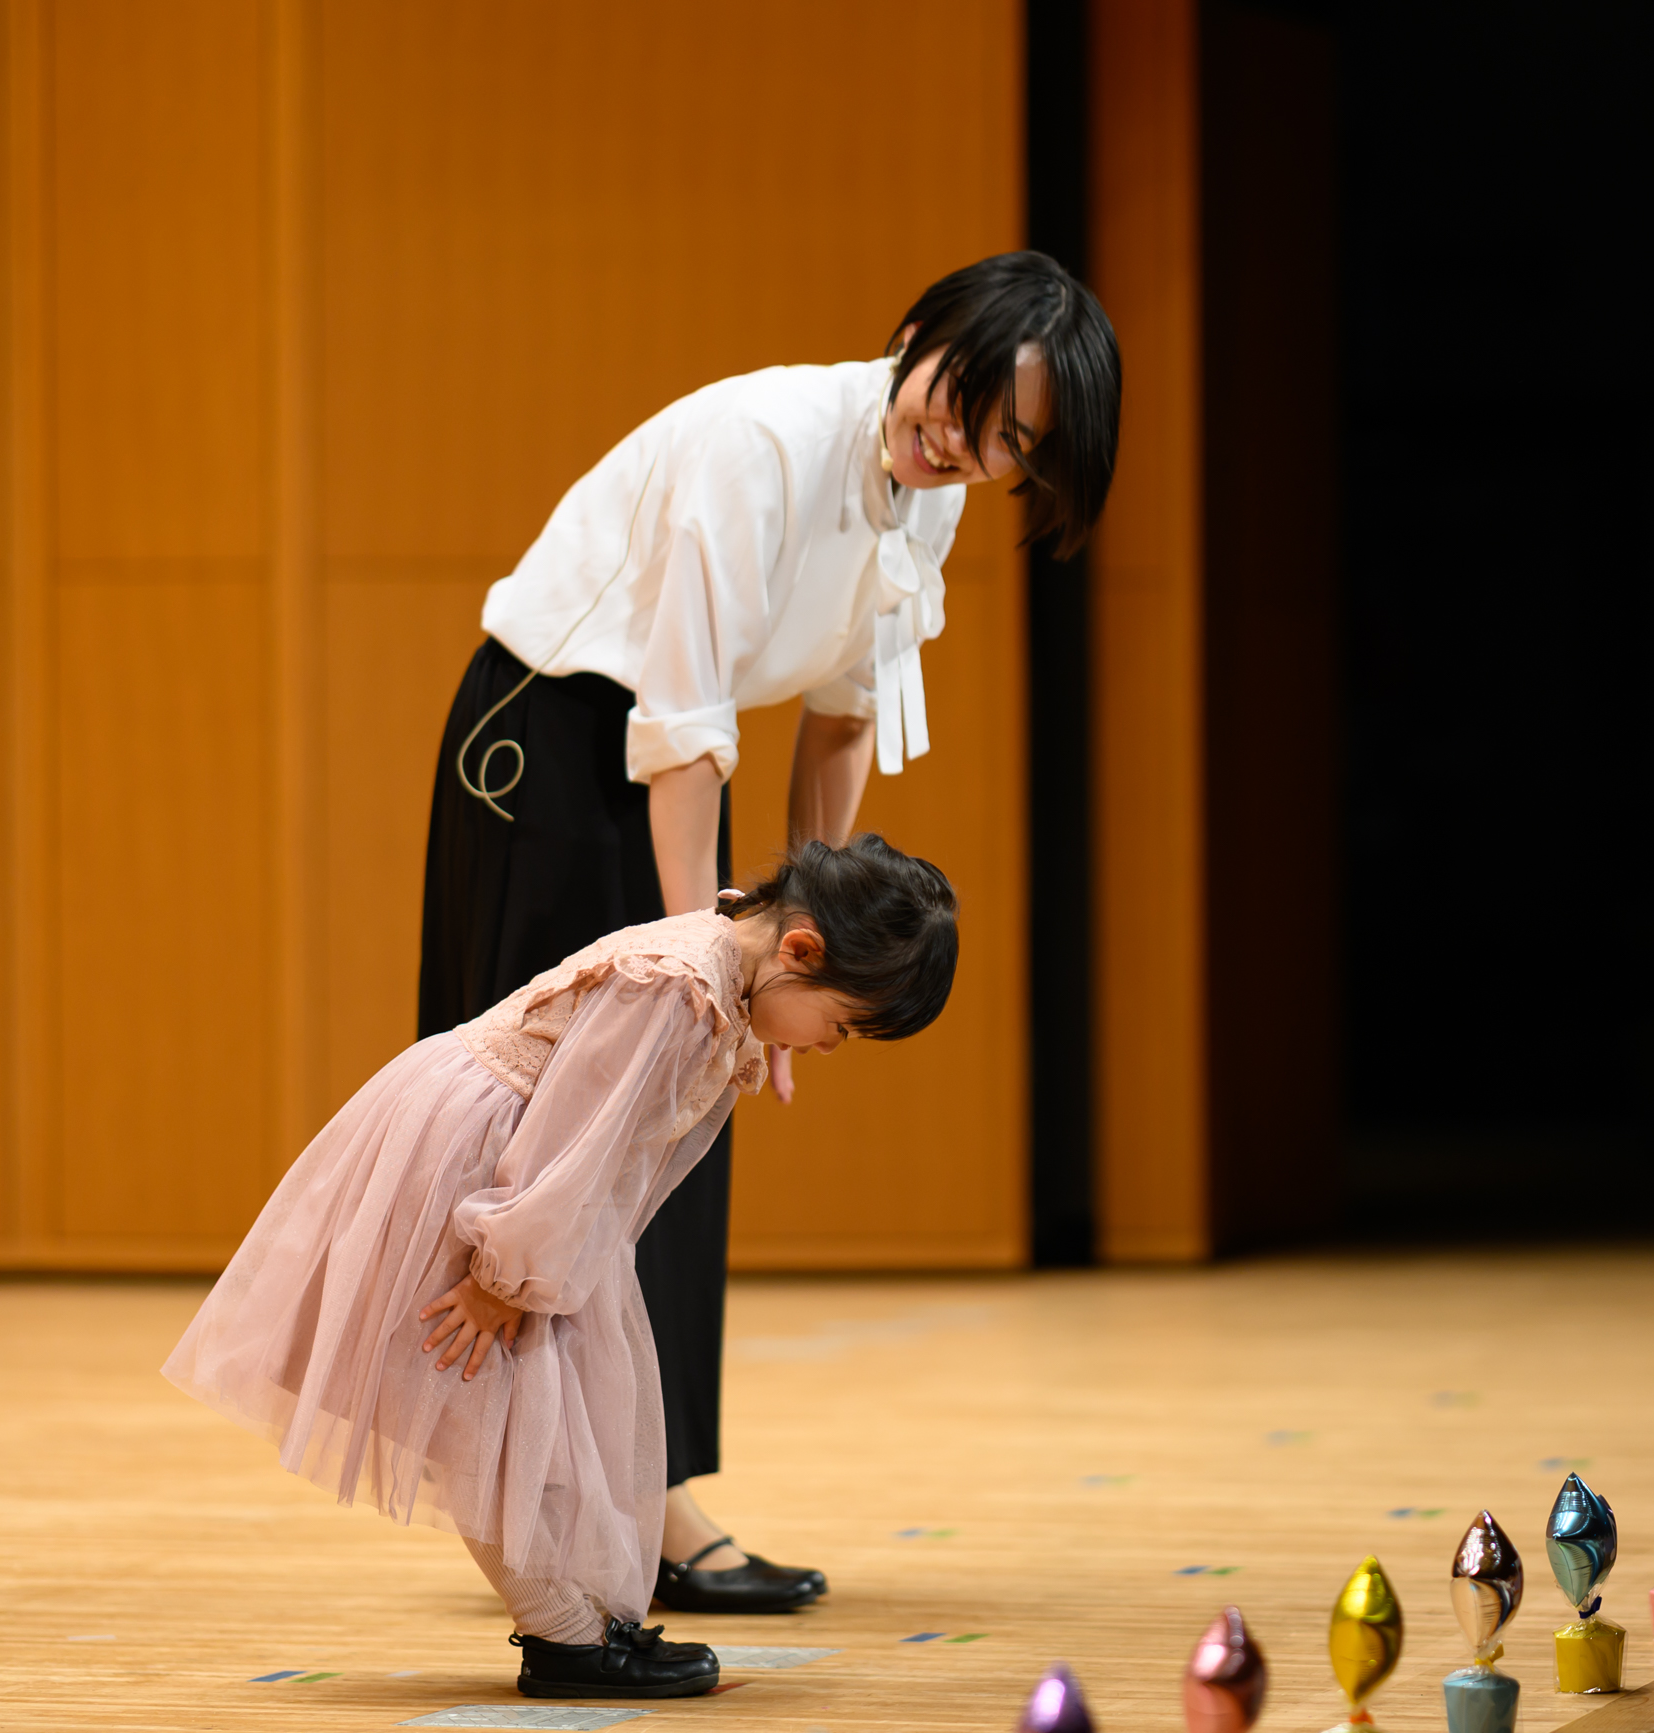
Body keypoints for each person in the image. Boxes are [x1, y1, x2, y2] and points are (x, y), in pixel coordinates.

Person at [416, 251, 1119, 1612]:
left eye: (1004, 446)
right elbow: (683, 731)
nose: (960, 444)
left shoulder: (929, 503)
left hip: (662, 772)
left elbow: (844, 716)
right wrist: (709, 974)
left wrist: (814, 926)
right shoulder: (760, 445)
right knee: (565, 1124)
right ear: (918, 337)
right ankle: (564, 1497)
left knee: (676, 1126)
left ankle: (642, 1488)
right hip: (551, 750)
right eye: (959, 399)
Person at [167, 838, 960, 1700]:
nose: (829, 1046)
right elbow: (574, 1140)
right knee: (487, 1404)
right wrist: (502, 1275)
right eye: (840, 1023)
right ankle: (567, 1637)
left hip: (530, 1194)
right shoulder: (676, 986)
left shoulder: (720, 974)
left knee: (549, 1411)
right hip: (496, 1174)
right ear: (801, 949)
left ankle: (582, 1617)